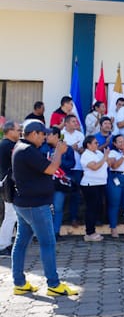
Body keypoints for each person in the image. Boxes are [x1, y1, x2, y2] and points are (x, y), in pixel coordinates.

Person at [11, 120, 77, 296]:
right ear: (33, 134)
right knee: (48, 243)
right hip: (36, 205)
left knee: (21, 242)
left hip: (25, 204)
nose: (45, 137)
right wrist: (59, 151)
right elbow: (51, 169)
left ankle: (19, 283)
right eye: (43, 134)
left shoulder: (22, 147)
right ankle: (54, 285)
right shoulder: (27, 151)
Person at [79, 135, 107, 242]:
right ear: (88, 145)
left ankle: (93, 230)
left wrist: (104, 158)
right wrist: (104, 158)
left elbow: (104, 164)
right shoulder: (86, 155)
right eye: (95, 143)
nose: (97, 144)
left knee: (98, 207)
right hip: (90, 185)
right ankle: (89, 232)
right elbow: (94, 167)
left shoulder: (98, 153)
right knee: (91, 208)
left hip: (101, 183)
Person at [0, 121, 21, 256]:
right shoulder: (9, 146)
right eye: (18, 130)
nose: (20, 132)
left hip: (6, 182)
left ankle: (5, 243)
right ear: (10, 131)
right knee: (11, 215)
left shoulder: (4, 144)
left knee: (11, 215)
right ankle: (3, 244)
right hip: (8, 183)